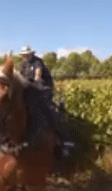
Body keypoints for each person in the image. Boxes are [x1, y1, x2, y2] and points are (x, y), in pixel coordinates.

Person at [19, 46, 74, 174]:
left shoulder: (38, 62)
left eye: (27, 54)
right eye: (24, 54)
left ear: (31, 54)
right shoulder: (23, 64)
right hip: (30, 89)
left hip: (43, 88)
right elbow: (20, 76)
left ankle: (55, 131)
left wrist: (29, 83)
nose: (25, 56)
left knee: (44, 108)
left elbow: (38, 77)